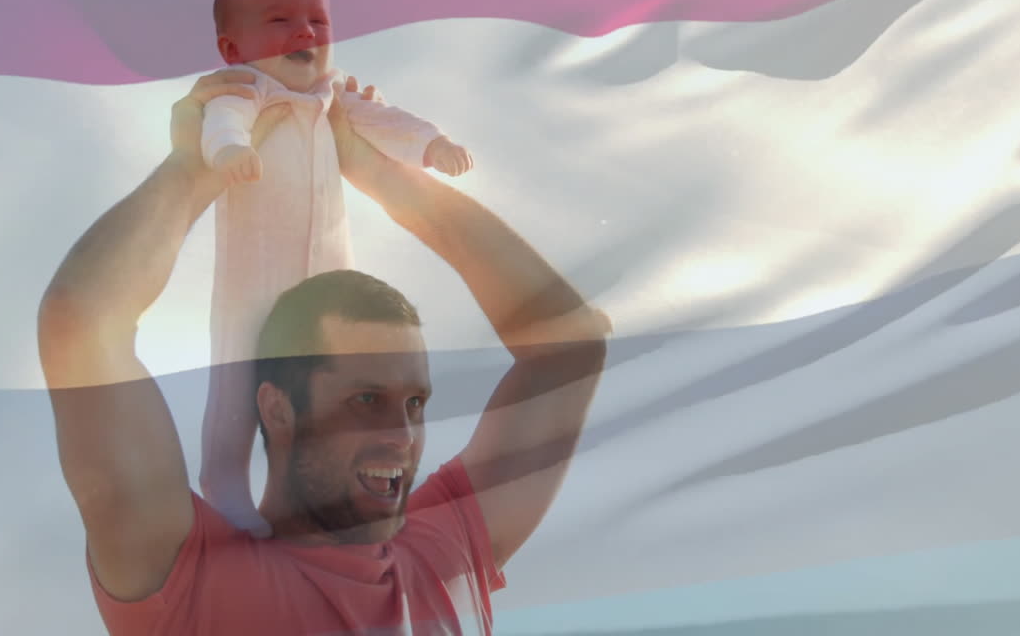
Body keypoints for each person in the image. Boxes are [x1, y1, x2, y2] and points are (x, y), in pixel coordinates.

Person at [38, 69, 611, 634]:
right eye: (366, 399)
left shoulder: (446, 549)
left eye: (415, 403)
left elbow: (569, 345)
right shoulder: (191, 578)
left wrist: (378, 171)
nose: (403, 435)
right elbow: (82, 325)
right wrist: (194, 166)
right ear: (278, 407)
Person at [199, 0, 474, 536]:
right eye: (279, 20)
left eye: (317, 21)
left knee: (341, 384)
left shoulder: (334, 97)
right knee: (237, 380)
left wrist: (431, 143)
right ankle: (224, 483)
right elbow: (219, 123)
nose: (305, 33)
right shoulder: (243, 93)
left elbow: (384, 119)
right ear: (231, 48)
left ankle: (347, 487)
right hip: (255, 277)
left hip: (327, 275)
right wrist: (228, 152)